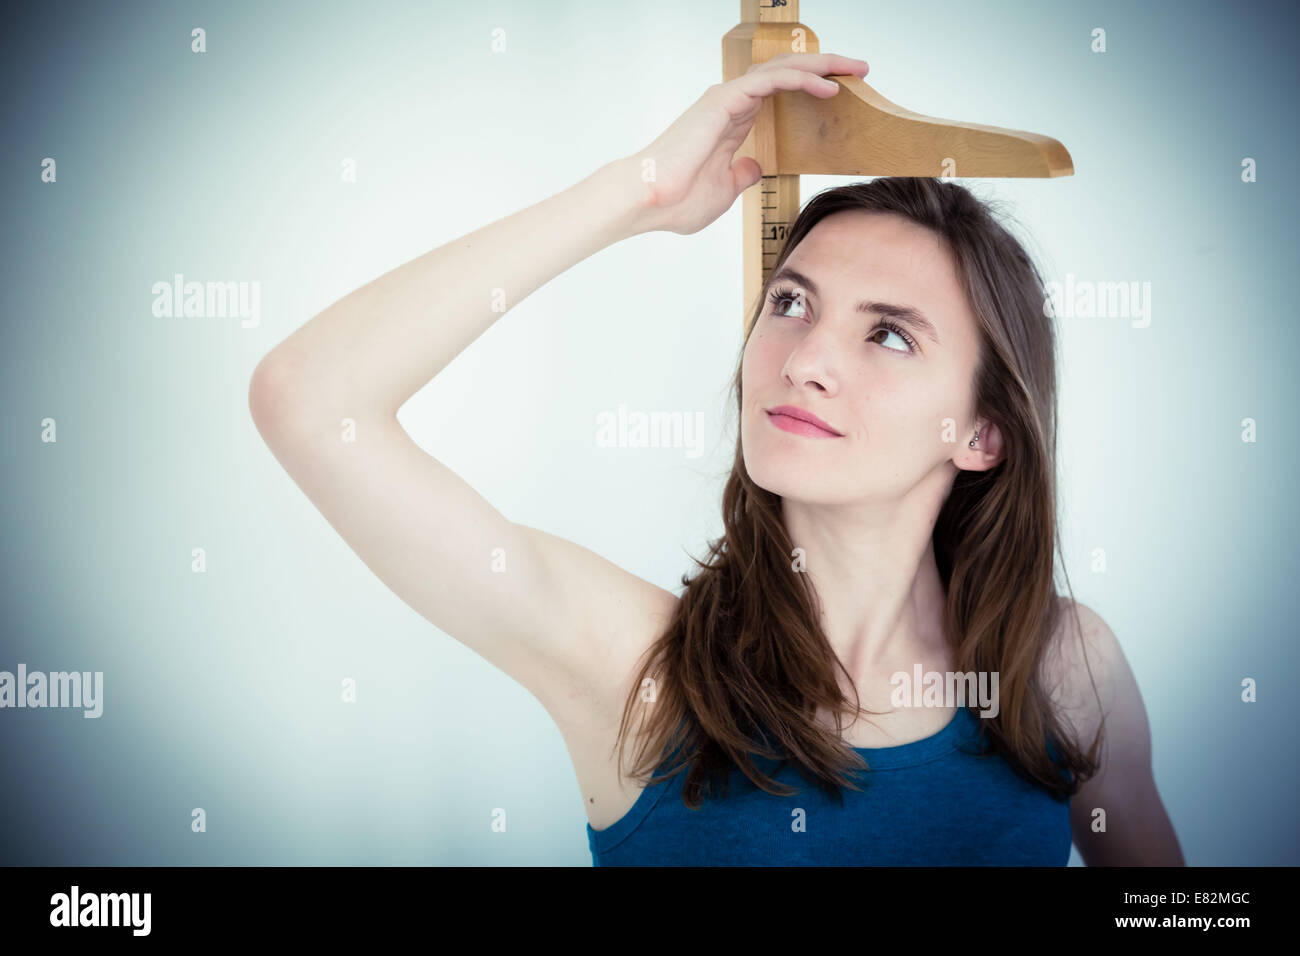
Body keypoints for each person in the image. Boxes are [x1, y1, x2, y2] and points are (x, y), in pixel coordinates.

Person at [248, 52, 1183, 866]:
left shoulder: (1065, 670)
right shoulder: (638, 675)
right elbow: (312, 398)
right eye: (791, 304)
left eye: (889, 337)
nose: (805, 362)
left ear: (983, 435)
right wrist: (639, 192)